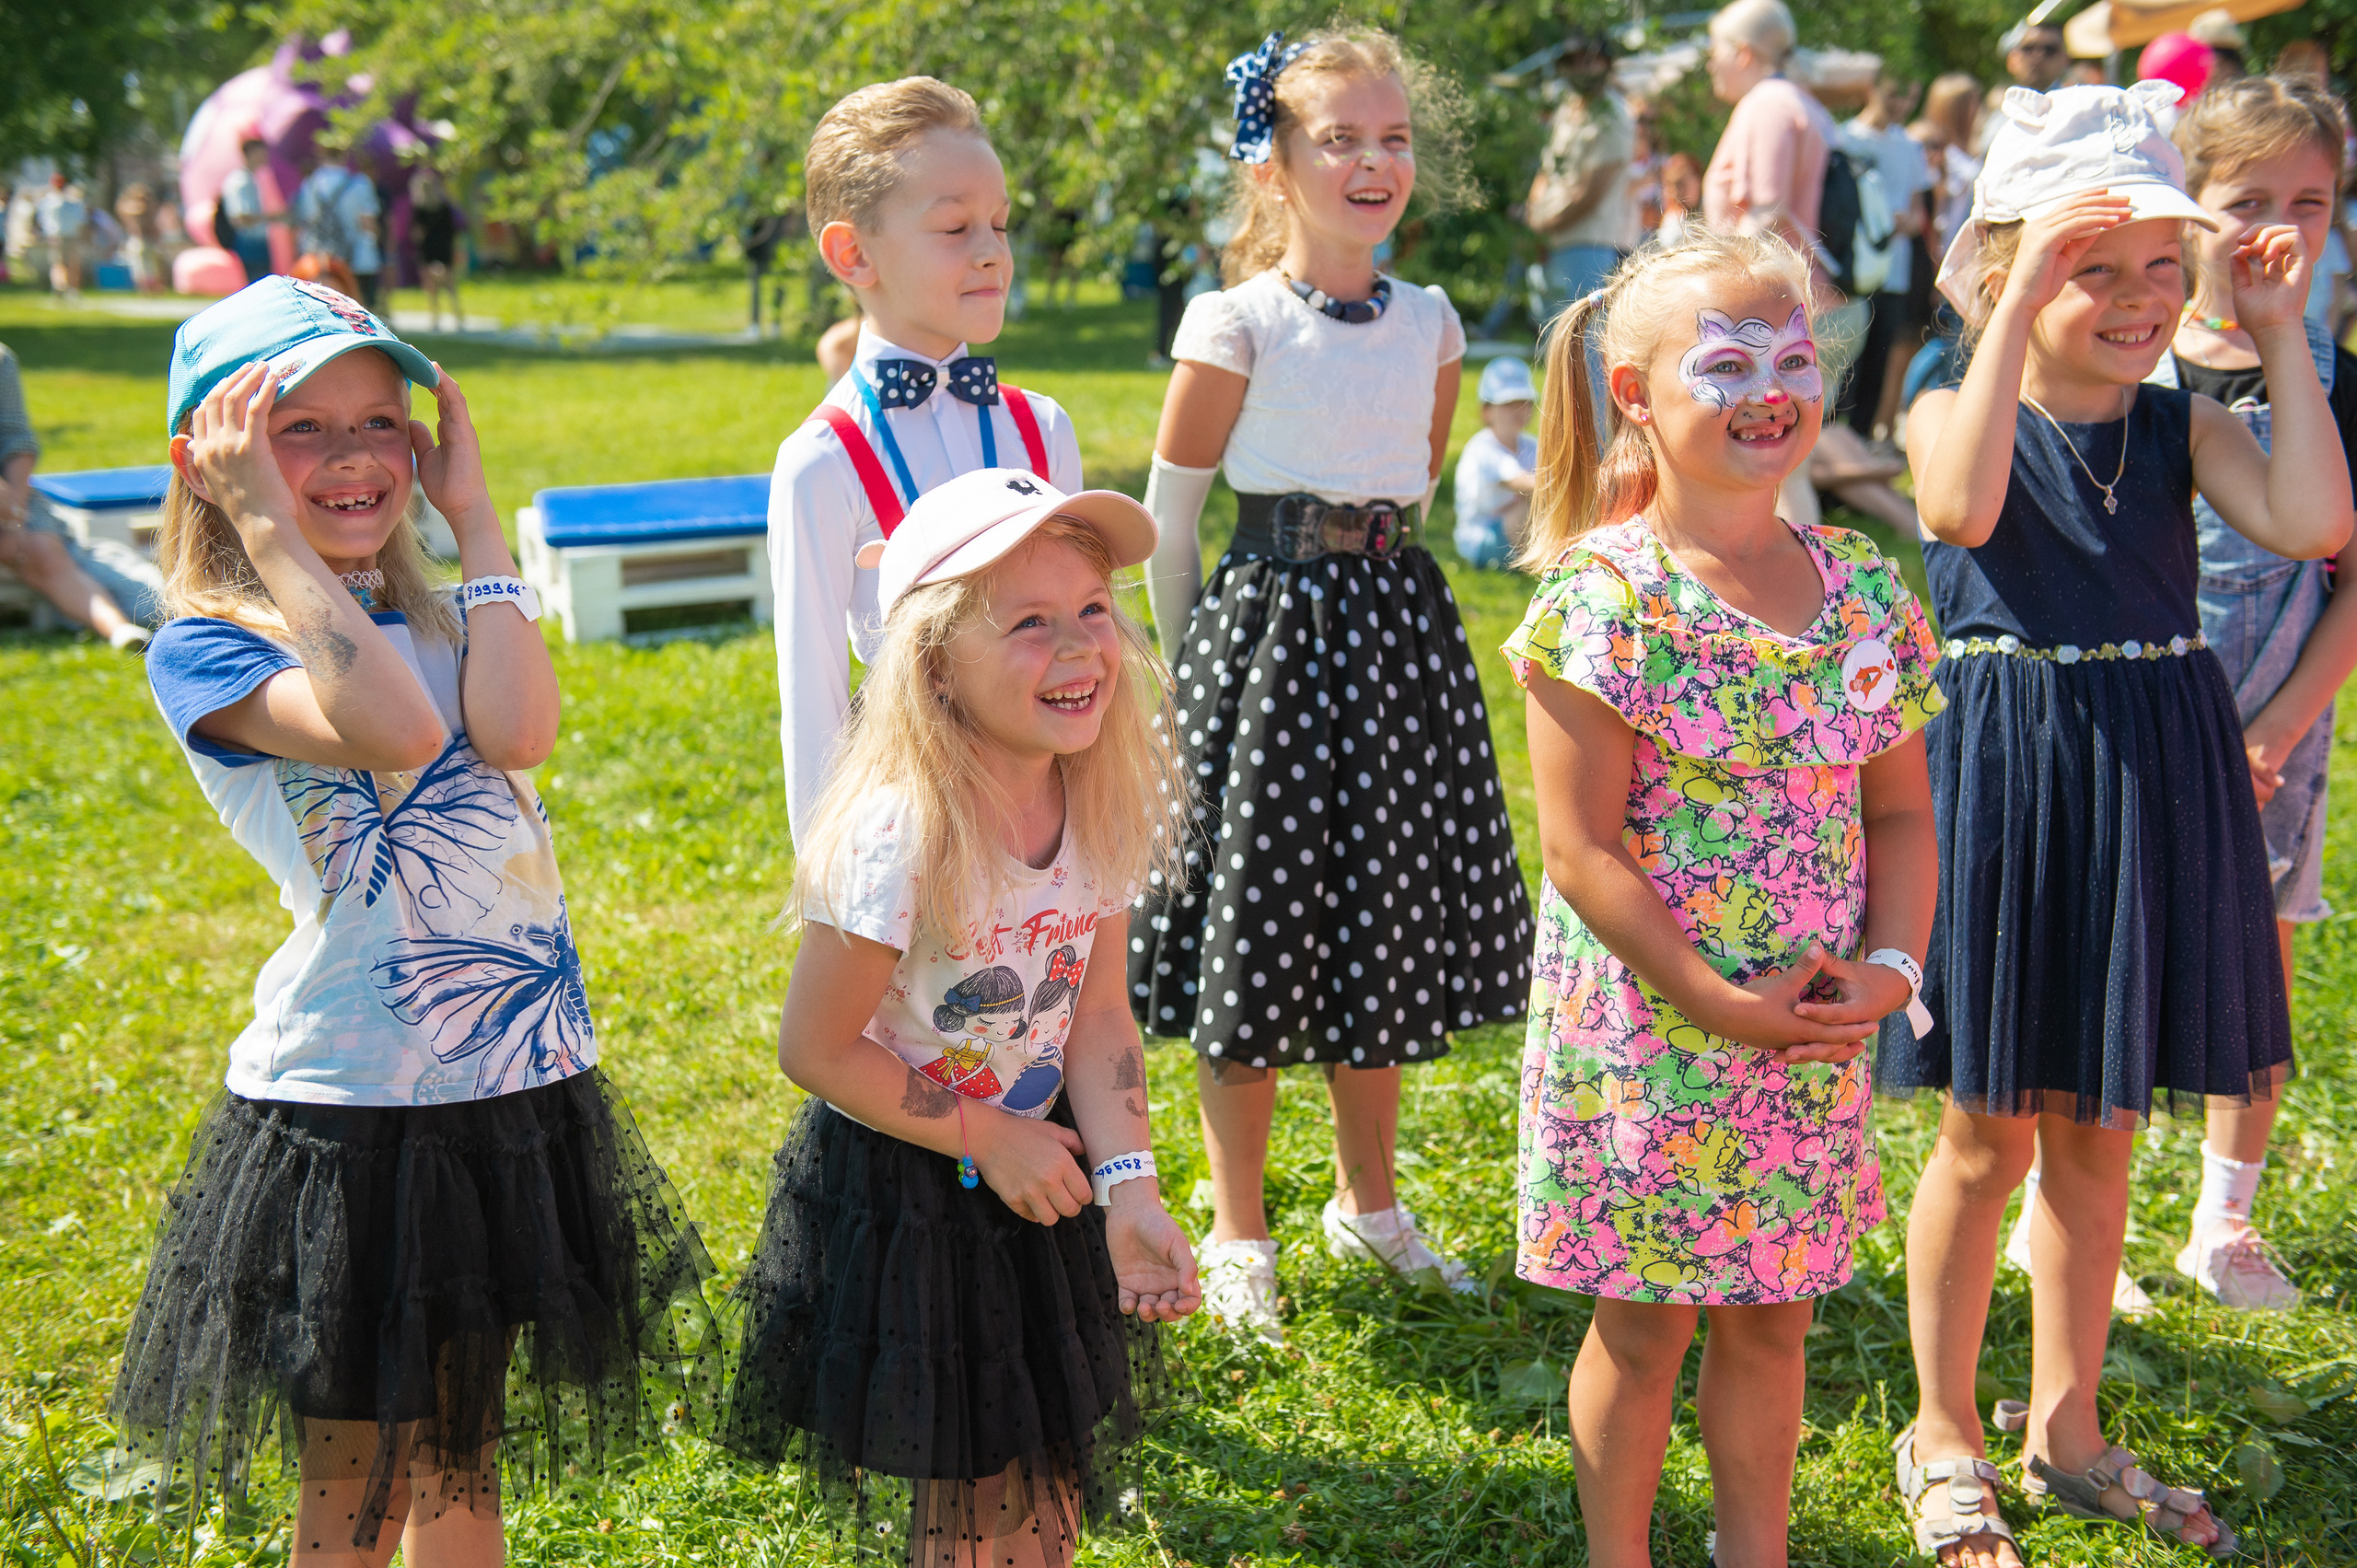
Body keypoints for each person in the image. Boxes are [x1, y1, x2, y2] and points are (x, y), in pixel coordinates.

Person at [111, 275, 721, 1565]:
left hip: (508, 1090)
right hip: (354, 1113)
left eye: (380, 423)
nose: (352, 458)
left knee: (464, 1468)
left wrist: (478, 524)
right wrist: (270, 533)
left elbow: (520, 729)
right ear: (210, 461)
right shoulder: (214, 645)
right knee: (357, 1494)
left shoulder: (440, 611)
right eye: (301, 427)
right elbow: (391, 729)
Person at [1887, 80, 2350, 1563]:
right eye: (2101, 265)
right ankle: (1945, 1426)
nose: (2143, 299)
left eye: (2167, 264)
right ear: (2011, 260)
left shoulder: (2182, 427)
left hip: (2154, 767)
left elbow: (2314, 522)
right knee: (1985, 1132)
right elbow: (1957, 512)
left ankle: (2066, 1426)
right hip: (2013, 779)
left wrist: (2278, 332)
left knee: (2101, 1132)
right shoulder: (1945, 400)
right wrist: (2020, 299)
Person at [1508, 224, 1939, 1568]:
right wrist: (1710, 998)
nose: (1772, 387)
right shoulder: (1606, 597)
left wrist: (1894, 969)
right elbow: (1582, 850)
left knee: (1776, 1315)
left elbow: (1904, 810)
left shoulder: (1864, 588)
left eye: (1796, 355)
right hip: (1652, 1029)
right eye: (1728, 359)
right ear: (1636, 392)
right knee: (1646, 1326)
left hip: (1805, 1027)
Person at [1132, 27, 1534, 1343]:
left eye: (1395, 137)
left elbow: (1407, 485)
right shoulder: (1234, 321)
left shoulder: (1430, 323)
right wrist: (1196, 682)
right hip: (1266, 643)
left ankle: (1371, 1201)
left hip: (1394, 639)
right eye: (1341, 138)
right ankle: (1238, 1223)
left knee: (1380, 921)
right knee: (1254, 926)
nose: (1375, 161)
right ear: (1276, 163)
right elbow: (1172, 517)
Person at [718, 468, 1200, 1568]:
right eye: (1029, 623)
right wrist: (990, 1135)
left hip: (1045, 1176)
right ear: (934, 659)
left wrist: (1130, 1187)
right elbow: (817, 1046)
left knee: (1049, 1486)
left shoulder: (1100, 792)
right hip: (916, 1183)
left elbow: (1098, 1015)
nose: (1079, 647)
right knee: (968, 1501)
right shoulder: (903, 831)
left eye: (1092, 610)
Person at [2145, 74, 2357, 1310]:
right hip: (2131, 722)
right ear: (2187, 208)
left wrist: (2276, 730)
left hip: (2276, 731)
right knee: (2112, 960)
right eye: (2248, 198)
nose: (2282, 223)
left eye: (2312, 200)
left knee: (2250, 976)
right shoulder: (2129, 365)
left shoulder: (2335, 378)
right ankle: (2066, 1207)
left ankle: (2222, 1221)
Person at [768, 76, 1084, 842]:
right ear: (852, 254)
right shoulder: (821, 460)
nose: (991, 253)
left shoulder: (1043, 429)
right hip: (910, 823)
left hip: (1046, 821)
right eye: (954, 229)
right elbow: (812, 700)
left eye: (1001, 225)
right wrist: (833, 896)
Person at [0, 343, 157, 646]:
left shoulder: (1, 359)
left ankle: (119, 630)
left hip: (14, 504)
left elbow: (17, 441)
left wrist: (15, 510)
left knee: (43, 552)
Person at [1840, 72, 1934, 444]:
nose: (1901, 106)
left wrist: (1903, 223)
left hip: (1892, 272)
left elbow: (1918, 212)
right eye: (1894, 94)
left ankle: (1861, 445)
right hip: (1851, 271)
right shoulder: (1845, 138)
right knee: (1846, 362)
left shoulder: (1909, 147)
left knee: (1879, 363)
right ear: (1872, 88)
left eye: (1910, 98)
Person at [1527, 32, 1640, 319]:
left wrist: (1544, 227)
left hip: (1588, 244)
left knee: (1584, 343)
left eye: (1589, 62)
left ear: (1607, 64)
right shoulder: (1568, 110)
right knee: (1553, 341)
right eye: (1573, 63)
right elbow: (1547, 171)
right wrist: (1532, 226)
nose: (1580, 70)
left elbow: (1591, 192)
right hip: (1553, 242)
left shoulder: (1613, 115)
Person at [1452, 355, 1538, 568]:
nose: (1518, 410)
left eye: (1524, 403)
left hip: (1507, 527)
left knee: (1538, 507)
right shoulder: (1483, 448)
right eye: (1508, 404)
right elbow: (1524, 483)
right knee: (1530, 509)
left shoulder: (1530, 444)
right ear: (1486, 411)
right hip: (1483, 536)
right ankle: (1539, 560)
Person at [296, 147, 384, 309]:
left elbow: (306, 220)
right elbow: (368, 223)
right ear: (344, 155)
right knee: (362, 310)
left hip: (320, 260)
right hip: (357, 257)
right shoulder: (360, 183)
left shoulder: (309, 184)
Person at [216, 137, 278, 283]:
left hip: (253, 242)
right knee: (259, 285)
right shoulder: (241, 181)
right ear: (251, 153)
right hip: (250, 242)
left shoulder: (249, 178)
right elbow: (241, 217)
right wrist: (275, 218)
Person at [412, 168, 467, 331]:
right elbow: (453, 230)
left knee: (431, 286)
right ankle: (458, 315)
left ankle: (435, 317)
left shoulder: (420, 210)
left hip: (428, 249)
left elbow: (417, 234)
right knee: (450, 285)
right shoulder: (445, 208)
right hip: (445, 248)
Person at [36, 174, 87, 298]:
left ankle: (72, 289)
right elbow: (43, 220)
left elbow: (80, 220)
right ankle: (59, 288)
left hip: (70, 235)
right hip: (57, 235)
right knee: (59, 263)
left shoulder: (73, 200)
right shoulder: (49, 200)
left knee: (72, 263)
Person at [116, 183, 162, 295]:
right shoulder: (135, 207)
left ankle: (152, 289)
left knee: (151, 267)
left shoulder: (138, 208)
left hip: (148, 239)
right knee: (141, 267)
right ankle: (145, 290)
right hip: (138, 239)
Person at [2004, 22, 2070, 92]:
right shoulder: (2002, 101)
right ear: (2012, 59)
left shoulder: (2075, 100)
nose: (2038, 55)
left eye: (2049, 49)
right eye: (2029, 48)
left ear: (2065, 59)